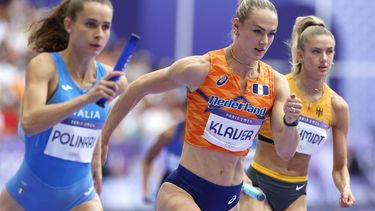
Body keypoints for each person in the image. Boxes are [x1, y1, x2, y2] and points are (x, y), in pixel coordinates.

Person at [101, 0, 303, 210]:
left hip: (230, 198)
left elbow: (286, 151)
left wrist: (290, 122)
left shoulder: (275, 83)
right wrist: (104, 137)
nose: (264, 41)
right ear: (237, 26)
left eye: (271, 34)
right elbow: (139, 87)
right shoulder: (202, 68)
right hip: (185, 190)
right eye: (257, 31)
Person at [0, 0, 127, 210]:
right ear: (69, 25)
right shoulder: (45, 66)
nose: (99, 34)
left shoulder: (113, 80)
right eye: (90, 24)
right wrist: (86, 98)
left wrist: (99, 146)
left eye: (105, 27)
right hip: (27, 192)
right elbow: (30, 122)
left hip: (80, 196)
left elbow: (98, 119)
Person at [240, 15, 356, 211]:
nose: (324, 59)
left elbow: (340, 166)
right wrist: (238, 172)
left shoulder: (338, 107)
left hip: (296, 193)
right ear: (300, 54)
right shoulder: (278, 86)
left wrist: (345, 187)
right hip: (259, 183)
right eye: (316, 52)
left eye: (330, 52)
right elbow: (240, 129)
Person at [143, 120, 185, 203]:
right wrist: (146, 189)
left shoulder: (204, 135)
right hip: (170, 182)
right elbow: (148, 160)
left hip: (193, 182)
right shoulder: (169, 134)